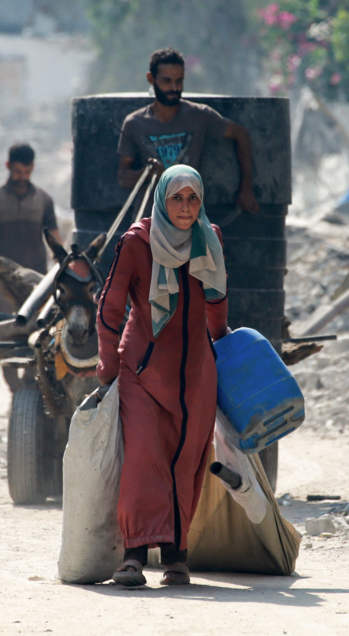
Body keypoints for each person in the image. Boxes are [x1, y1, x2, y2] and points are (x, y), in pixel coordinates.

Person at [96, 164, 230, 587]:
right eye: (177, 198)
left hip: (195, 374)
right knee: (143, 457)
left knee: (187, 461)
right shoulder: (137, 242)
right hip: (143, 370)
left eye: (193, 198)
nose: (186, 208)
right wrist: (109, 364)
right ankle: (134, 554)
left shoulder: (210, 238)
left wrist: (222, 349)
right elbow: (110, 307)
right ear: (162, 200)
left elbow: (218, 302)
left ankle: (176, 555)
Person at [0, 142, 62, 390]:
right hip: (3, 283)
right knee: (6, 337)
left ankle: (30, 385)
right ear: (8, 167)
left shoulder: (43, 200)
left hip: (38, 284)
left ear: (33, 169)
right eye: (18, 172)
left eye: (27, 173)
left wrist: (62, 272)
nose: (22, 178)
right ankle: (16, 391)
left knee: (37, 336)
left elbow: (55, 240)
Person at [117, 48, 259, 215]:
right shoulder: (135, 123)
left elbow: (241, 134)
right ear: (151, 79)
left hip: (189, 219)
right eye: (166, 81)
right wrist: (149, 172)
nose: (174, 87)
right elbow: (123, 177)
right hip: (150, 220)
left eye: (179, 81)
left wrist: (246, 188)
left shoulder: (199, 115)